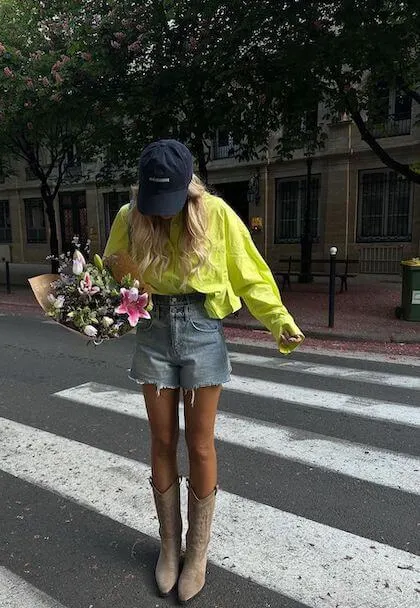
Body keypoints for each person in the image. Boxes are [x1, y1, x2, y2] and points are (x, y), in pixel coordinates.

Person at [103, 139, 303, 603]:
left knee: (200, 442)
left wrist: (279, 321)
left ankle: (197, 553)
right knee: (161, 440)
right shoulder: (128, 216)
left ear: (188, 188)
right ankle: (169, 547)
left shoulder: (216, 214)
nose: (164, 213)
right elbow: (112, 270)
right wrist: (87, 305)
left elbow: (249, 272)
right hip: (152, 329)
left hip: (201, 330)